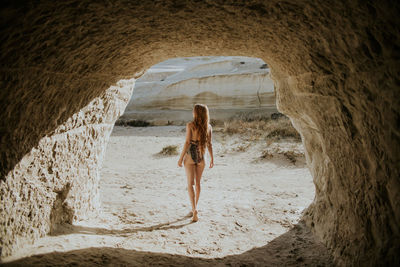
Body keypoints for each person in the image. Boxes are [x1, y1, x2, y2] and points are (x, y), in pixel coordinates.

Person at [178, 104, 214, 222]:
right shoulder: (208, 127)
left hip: (190, 156)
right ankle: (195, 208)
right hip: (202, 156)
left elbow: (188, 142)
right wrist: (212, 159)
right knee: (198, 183)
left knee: (190, 184)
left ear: (196, 113)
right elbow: (209, 144)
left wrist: (180, 158)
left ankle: (194, 210)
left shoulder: (190, 125)